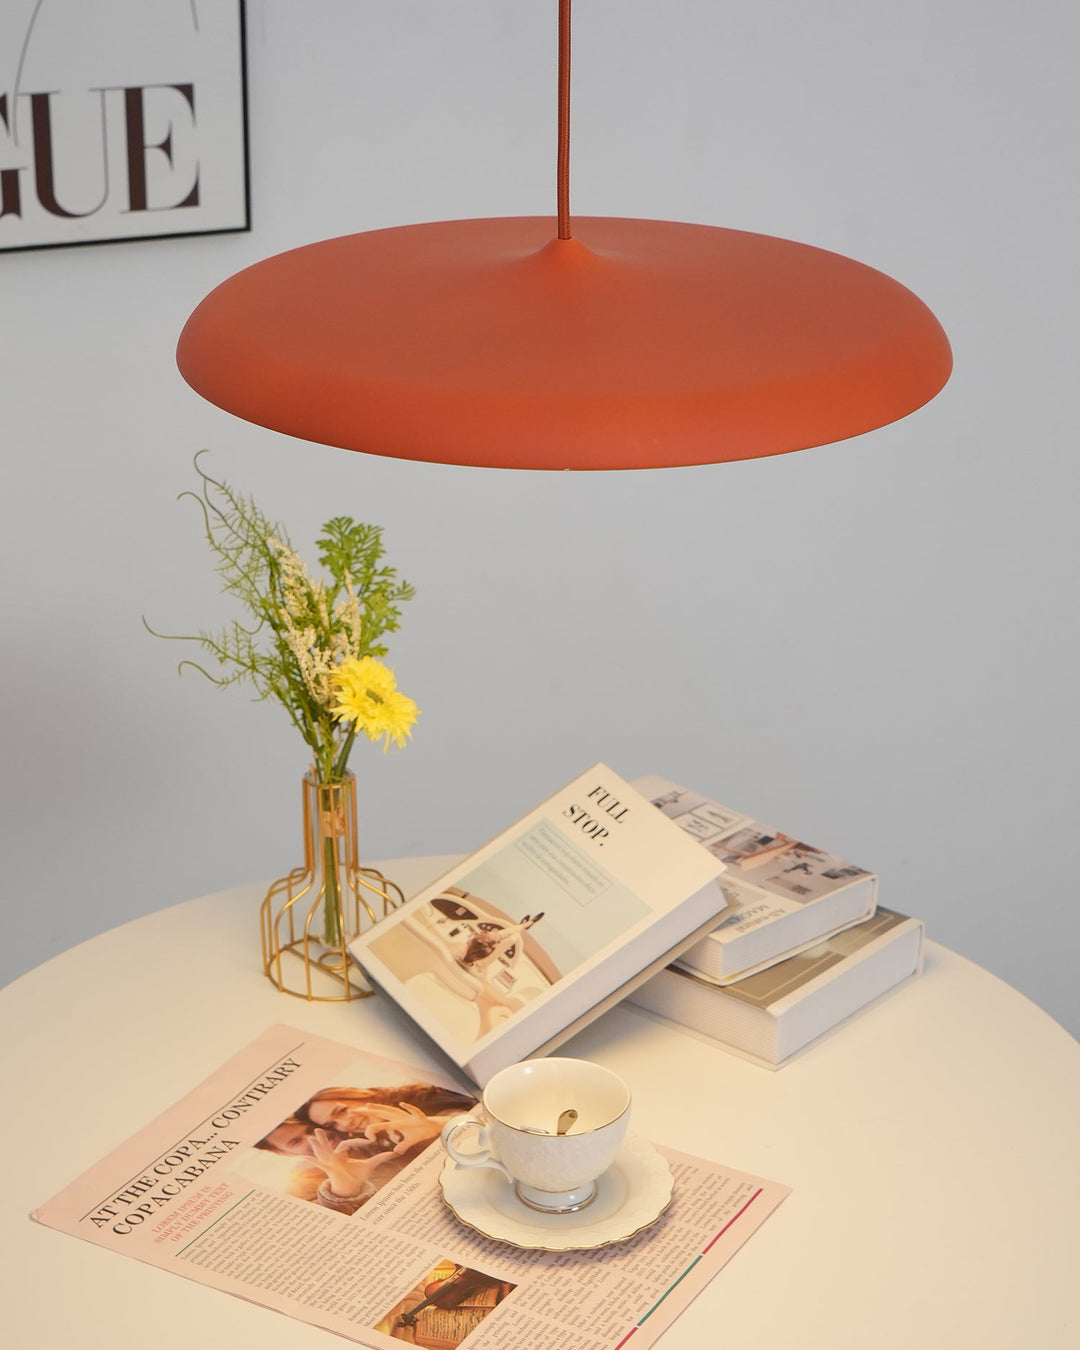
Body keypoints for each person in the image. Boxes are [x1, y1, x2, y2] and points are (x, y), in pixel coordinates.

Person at [256, 1082, 475, 1215]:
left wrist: (435, 1126)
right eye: (295, 1142)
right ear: (283, 1153)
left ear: (355, 1094)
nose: (317, 1136)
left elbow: (465, 1111)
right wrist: (343, 1189)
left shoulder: (404, 1106)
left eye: (340, 1111)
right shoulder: (303, 1181)